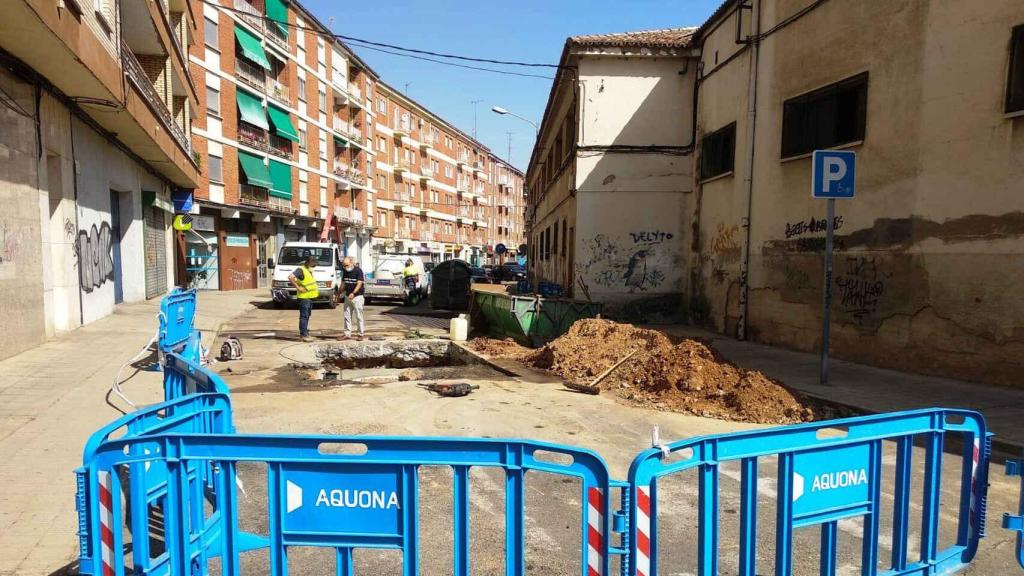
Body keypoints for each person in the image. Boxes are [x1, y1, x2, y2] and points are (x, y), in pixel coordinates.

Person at [288, 254, 319, 342]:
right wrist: (298, 287)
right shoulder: (301, 269)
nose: (315, 266)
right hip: (304, 298)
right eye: (314, 264)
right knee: (304, 316)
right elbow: (290, 277)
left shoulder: (308, 270)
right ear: (309, 263)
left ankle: (305, 332)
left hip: (309, 297)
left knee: (307, 316)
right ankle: (303, 334)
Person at [341, 256, 365, 340]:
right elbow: (343, 283)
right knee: (347, 315)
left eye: (346, 265)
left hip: (357, 297)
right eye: (344, 265)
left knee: (359, 315)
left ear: (351, 263)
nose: (345, 267)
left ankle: (360, 334)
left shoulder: (358, 271)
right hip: (347, 296)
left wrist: (353, 293)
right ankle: (347, 334)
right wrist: (338, 293)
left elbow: (359, 283)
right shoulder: (345, 271)